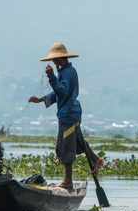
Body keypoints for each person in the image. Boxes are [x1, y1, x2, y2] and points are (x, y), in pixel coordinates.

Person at [27, 43, 102, 188]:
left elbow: (63, 92)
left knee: (67, 146)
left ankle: (68, 181)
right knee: (78, 141)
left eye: (55, 59)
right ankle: (95, 159)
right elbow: (57, 94)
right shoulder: (68, 71)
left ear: (60, 58)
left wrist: (51, 77)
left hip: (68, 114)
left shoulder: (66, 73)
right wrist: (41, 99)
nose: (54, 61)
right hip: (73, 112)